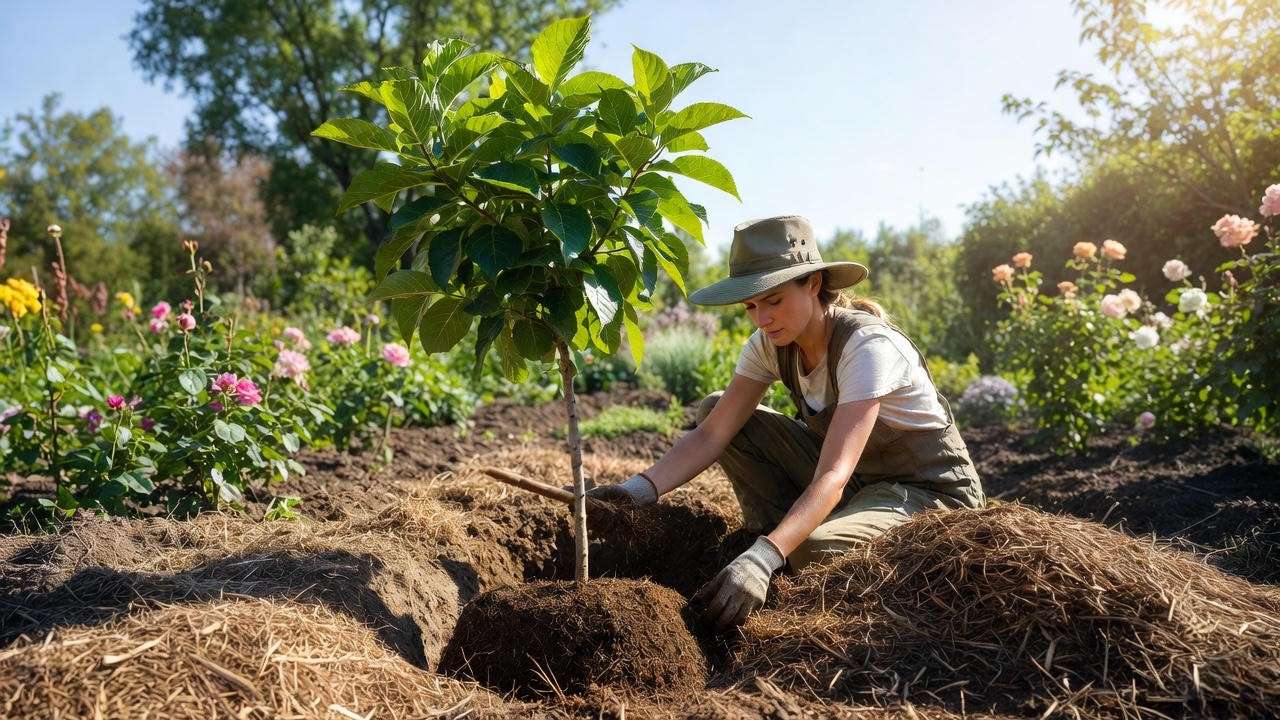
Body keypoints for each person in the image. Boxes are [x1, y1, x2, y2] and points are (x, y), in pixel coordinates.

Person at [585, 215, 985, 630]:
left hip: (925, 491)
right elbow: (711, 434)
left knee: (813, 551)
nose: (761, 318)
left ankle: (775, 553)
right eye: (751, 306)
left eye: (773, 301)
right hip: (857, 484)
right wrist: (634, 491)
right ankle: (770, 538)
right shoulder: (770, 345)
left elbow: (833, 474)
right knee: (715, 408)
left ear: (813, 284)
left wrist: (765, 557)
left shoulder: (867, 347)